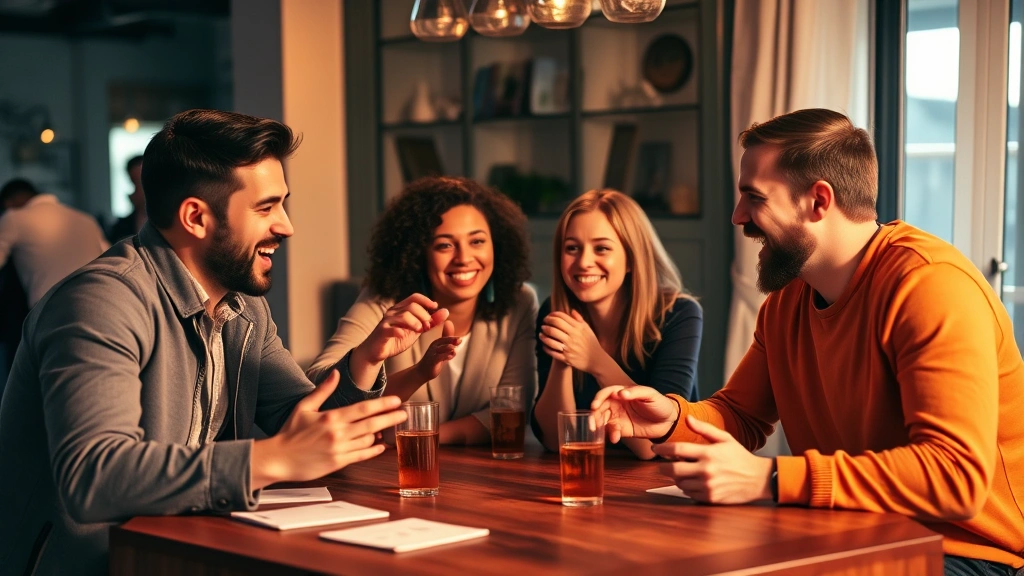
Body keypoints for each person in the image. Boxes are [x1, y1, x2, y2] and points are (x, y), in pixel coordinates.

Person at [591, 109, 1024, 575]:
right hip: (852, 532)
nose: (738, 217)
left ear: (818, 201)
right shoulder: (786, 303)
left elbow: (955, 477)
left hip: (968, 552)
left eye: (753, 198)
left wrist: (771, 478)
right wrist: (670, 416)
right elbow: (739, 415)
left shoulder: (931, 287)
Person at [0, 109, 411, 576]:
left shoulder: (241, 306)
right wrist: (271, 458)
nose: (286, 226)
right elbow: (96, 476)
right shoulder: (100, 302)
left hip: (178, 552)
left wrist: (366, 359)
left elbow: (300, 426)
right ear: (196, 217)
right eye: (266, 207)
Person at [308, 176, 537, 445]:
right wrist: (413, 372)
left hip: (481, 475)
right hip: (391, 474)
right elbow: (319, 388)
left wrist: (424, 435)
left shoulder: (519, 302)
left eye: (477, 242)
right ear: (418, 252)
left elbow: (513, 412)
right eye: (444, 245)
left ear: (497, 245)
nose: (464, 258)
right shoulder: (385, 300)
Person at [531, 190, 702, 459]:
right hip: (587, 476)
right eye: (572, 248)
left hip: (662, 483)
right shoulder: (553, 311)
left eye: (602, 248)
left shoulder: (680, 314)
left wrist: (595, 360)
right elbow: (554, 440)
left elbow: (654, 446)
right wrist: (563, 362)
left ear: (632, 259)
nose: (584, 262)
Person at [0, 178, 109, 306]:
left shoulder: (13, 218)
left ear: (8, 203)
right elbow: (110, 259)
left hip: (50, 308)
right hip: (99, 301)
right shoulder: (87, 219)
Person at [107, 154, 148, 242]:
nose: (139, 189)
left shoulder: (172, 222)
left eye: (142, 183)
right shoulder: (121, 227)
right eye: (135, 183)